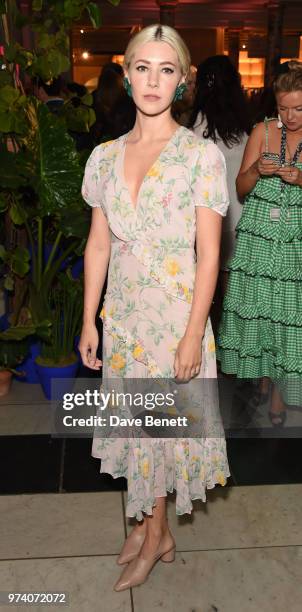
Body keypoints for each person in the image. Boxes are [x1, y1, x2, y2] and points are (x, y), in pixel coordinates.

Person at [79, 23, 230, 592]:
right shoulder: (104, 156)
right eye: (143, 67)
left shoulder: (201, 157)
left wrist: (194, 333)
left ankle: (156, 532)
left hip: (174, 321)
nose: (153, 80)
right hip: (124, 319)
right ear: (125, 71)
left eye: (167, 70)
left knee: (161, 433)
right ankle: (147, 527)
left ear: (183, 81)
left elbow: (210, 256)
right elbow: (100, 243)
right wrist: (89, 316)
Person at [217, 60, 302, 426]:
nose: (290, 116)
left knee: (287, 317)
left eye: (298, 108)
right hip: (258, 238)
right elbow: (240, 188)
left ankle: (280, 396)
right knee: (260, 312)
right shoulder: (263, 131)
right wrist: (256, 170)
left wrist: (300, 179)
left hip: (295, 237)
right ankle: (264, 377)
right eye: (283, 108)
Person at [188, 55, 251, 295]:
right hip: (242, 220)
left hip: (205, 221)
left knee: (204, 294)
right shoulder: (247, 128)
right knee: (233, 298)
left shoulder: (195, 129)